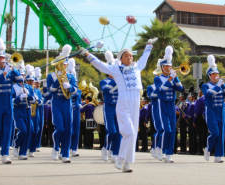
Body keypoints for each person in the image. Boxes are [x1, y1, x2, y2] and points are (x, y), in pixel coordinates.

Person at [81, 38, 157, 172]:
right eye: (127, 56)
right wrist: (88, 55)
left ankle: (127, 163)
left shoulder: (137, 67)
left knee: (133, 134)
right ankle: (120, 158)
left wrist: (149, 45)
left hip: (135, 100)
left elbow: (145, 57)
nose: (130, 57)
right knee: (128, 131)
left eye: (131, 55)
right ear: (121, 59)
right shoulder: (116, 69)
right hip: (123, 101)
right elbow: (100, 65)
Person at [0, 38, 23, 164]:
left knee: (7, 128)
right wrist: (5, 73)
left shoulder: (9, 70)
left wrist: (14, 69)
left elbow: (20, 80)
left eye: (3, 58)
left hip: (8, 101)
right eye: (0, 58)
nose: (2, 60)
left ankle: (5, 154)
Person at [48, 44, 77, 163]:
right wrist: (57, 82)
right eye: (61, 64)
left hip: (67, 102)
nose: (63, 67)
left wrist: (70, 87)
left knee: (68, 129)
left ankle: (65, 154)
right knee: (59, 128)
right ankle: (55, 148)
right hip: (57, 102)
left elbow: (76, 90)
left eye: (65, 64)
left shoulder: (71, 76)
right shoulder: (51, 76)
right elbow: (50, 90)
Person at [154, 46, 184, 163]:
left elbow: (180, 88)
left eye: (170, 66)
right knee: (166, 129)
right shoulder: (158, 78)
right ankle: (159, 149)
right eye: (167, 66)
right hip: (162, 104)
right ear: (162, 67)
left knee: (172, 130)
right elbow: (161, 89)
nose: (169, 68)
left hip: (172, 104)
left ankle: (169, 154)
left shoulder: (173, 77)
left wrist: (175, 78)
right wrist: (171, 78)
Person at [202, 55, 225, 163]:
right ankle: (208, 148)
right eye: (214, 74)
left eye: (217, 74)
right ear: (209, 75)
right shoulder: (205, 86)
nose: (216, 76)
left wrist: (223, 85)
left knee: (221, 133)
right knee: (215, 133)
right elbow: (209, 94)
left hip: (221, 110)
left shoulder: (221, 84)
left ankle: (218, 155)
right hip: (211, 110)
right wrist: (218, 86)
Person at [99, 51, 121, 163]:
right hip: (109, 107)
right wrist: (115, 80)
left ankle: (115, 153)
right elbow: (105, 89)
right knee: (112, 131)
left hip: (119, 107)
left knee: (119, 132)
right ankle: (105, 148)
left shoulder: (121, 80)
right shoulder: (104, 81)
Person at [12, 68, 36, 160]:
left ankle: (22, 153)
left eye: (23, 75)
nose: (22, 77)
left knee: (29, 131)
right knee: (23, 130)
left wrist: (28, 95)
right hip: (18, 110)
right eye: (20, 75)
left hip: (27, 110)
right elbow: (12, 101)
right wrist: (20, 97)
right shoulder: (13, 87)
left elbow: (33, 100)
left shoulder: (29, 87)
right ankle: (16, 144)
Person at [67, 58, 82, 157]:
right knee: (69, 130)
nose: (75, 83)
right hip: (68, 109)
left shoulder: (79, 90)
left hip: (76, 110)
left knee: (76, 130)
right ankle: (66, 148)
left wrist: (80, 104)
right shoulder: (67, 89)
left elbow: (79, 99)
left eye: (76, 81)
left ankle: (74, 148)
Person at [193, 81, 206, 155]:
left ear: (201, 92)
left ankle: (200, 150)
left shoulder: (200, 100)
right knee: (206, 135)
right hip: (207, 118)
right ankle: (207, 149)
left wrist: (194, 121)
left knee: (200, 135)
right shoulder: (208, 98)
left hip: (200, 118)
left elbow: (196, 112)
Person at [186, 86, 198, 155]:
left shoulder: (193, 104)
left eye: (190, 96)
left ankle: (191, 150)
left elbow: (191, 114)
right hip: (193, 120)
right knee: (194, 135)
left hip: (192, 120)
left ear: (193, 97)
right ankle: (195, 149)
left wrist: (186, 117)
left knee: (192, 135)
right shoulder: (195, 103)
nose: (189, 97)